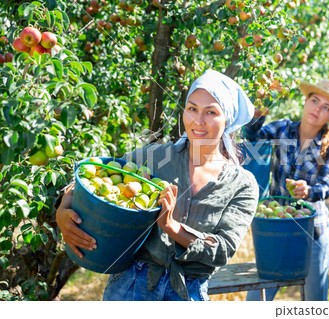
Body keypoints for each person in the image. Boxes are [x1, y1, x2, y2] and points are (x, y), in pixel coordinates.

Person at [56, 69, 259, 301]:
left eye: (211, 112)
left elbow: (222, 250)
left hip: (187, 293)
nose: (198, 121)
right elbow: (96, 176)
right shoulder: (154, 158)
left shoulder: (241, 184)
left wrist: (172, 228)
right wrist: (65, 206)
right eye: (192, 108)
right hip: (130, 287)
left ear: (227, 121)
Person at [244, 80, 329, 301]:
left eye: (326, 107)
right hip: (277, 228)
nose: (317, 109)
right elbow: (253, 137)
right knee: (256, 301)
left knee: (314, 303)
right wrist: (260, 108)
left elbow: (326, 186)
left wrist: (308, 191)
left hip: (312, 233)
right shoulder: (282, 128)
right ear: (305, 101)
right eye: (315, 101)